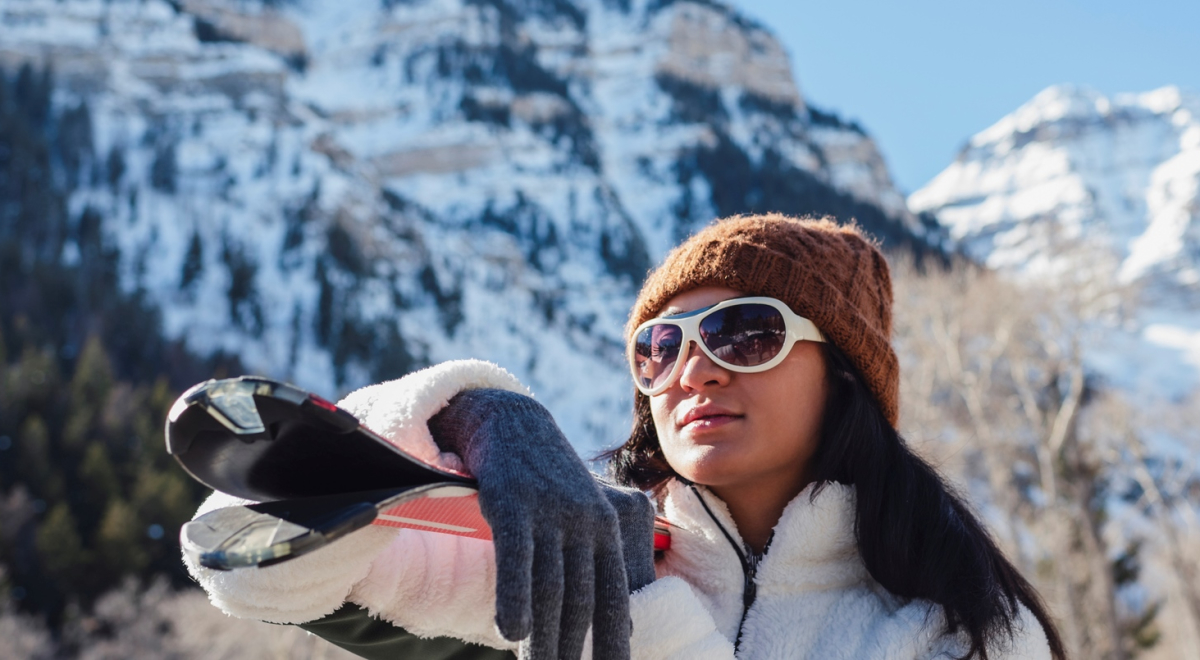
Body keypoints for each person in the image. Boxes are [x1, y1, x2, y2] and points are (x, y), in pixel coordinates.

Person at [183, 214, 1065, 659]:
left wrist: (639, 613)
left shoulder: (957, 628)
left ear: (845, 376)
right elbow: (253, 549)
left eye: (744, 334)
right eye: (659, 346)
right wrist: (480, 415)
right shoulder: (561, 549)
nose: (693, 371)